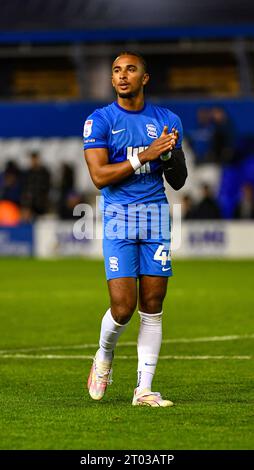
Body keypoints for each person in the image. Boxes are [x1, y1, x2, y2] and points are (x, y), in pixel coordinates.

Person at [83, 52, 187, 407]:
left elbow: (179, 179)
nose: (123, 75)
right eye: (116, 70)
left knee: (153, 304)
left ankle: (144, 389)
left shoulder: (167, 119)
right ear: (112, 80)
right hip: (118, 218)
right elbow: (99, 177)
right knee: (123, 307)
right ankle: (103, 356)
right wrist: (145, 155)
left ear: (145, 78)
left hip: (156, 216)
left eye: (131, 69)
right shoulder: (99, 121)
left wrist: (170, 156)